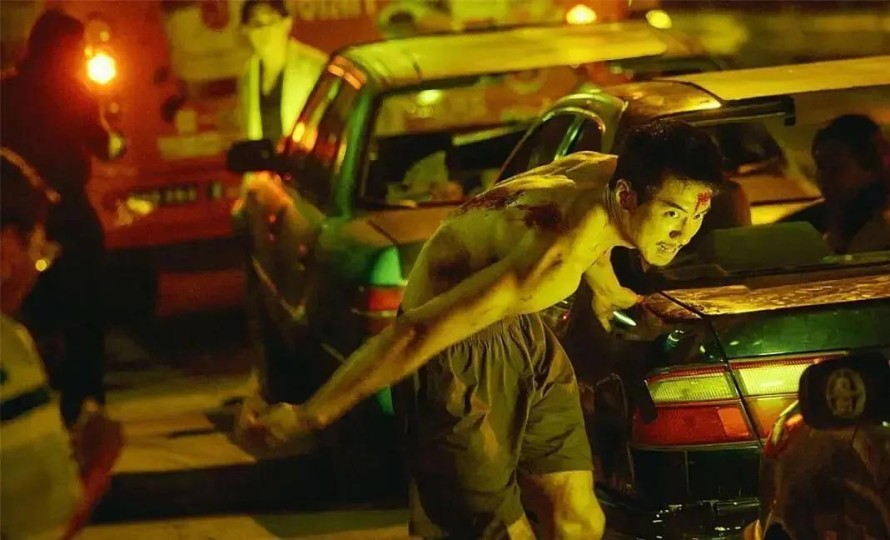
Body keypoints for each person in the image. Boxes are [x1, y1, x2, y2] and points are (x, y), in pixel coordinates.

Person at [250, 119, 726, 538]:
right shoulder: (552, 259)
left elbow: (598, 235)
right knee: (498, 532)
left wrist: (612, 293)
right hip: (452, 351)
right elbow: (415, 332)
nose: (683, 235)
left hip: (521, 331)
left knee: (579, 521)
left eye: (698, 216)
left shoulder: (602, 171)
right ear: (626, 195)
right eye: (672, 214)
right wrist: (310, 415)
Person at [1, 9, 125, 427]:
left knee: (23, 313)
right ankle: (84, 399)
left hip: (16, 219)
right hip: (69, 215)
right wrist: (116, 135)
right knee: (85, 309)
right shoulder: (72, 93)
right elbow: (105, 145)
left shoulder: (8, 90)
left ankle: (28, 396)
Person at [1, 148, 122, 540]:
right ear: (6, 247)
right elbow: (43, 526)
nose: (37, 275)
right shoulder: (7, 351)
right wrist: (98, 465)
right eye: (39, 254)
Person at [785, 114, 890, 253]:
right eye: (821, 167)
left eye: (836, 166)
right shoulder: (822, 227)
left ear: (871, 165)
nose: (824, 178)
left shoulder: (882, 231)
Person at [238, 0, 327, 144]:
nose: (265, 30)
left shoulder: (315, 67)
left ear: (287, 23)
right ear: (246, 30)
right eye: (256, 24)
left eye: (272, 21)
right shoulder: (248, 75)